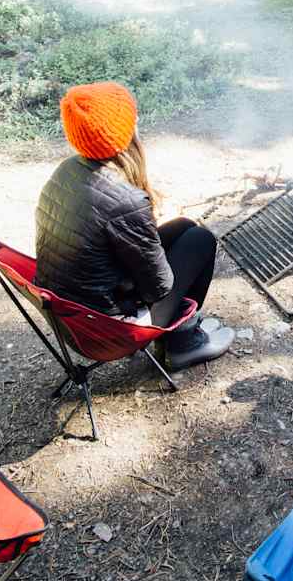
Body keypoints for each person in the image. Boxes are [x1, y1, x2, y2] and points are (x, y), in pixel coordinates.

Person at [35, 81, 235, 369]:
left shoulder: (66, 172)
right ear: (122, 133)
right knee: (200, 240)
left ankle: (184, 331)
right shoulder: (125, 200)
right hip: (110, 329)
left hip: (73, 313)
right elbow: (159, 287)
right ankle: (183, 343)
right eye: (132, 117)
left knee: (183, 226)